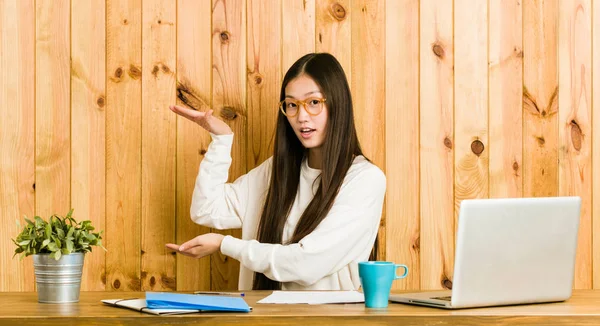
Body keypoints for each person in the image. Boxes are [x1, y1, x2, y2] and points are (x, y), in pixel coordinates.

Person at [166, 52, 386, 291]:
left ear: (337, 104)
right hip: (262, 317)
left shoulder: (365, 179)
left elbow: (307, 264)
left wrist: (225, 244)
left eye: (314, 103)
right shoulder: (276, 171)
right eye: (291, 105)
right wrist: (221, 140)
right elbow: (206, 209)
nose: (301, 117)